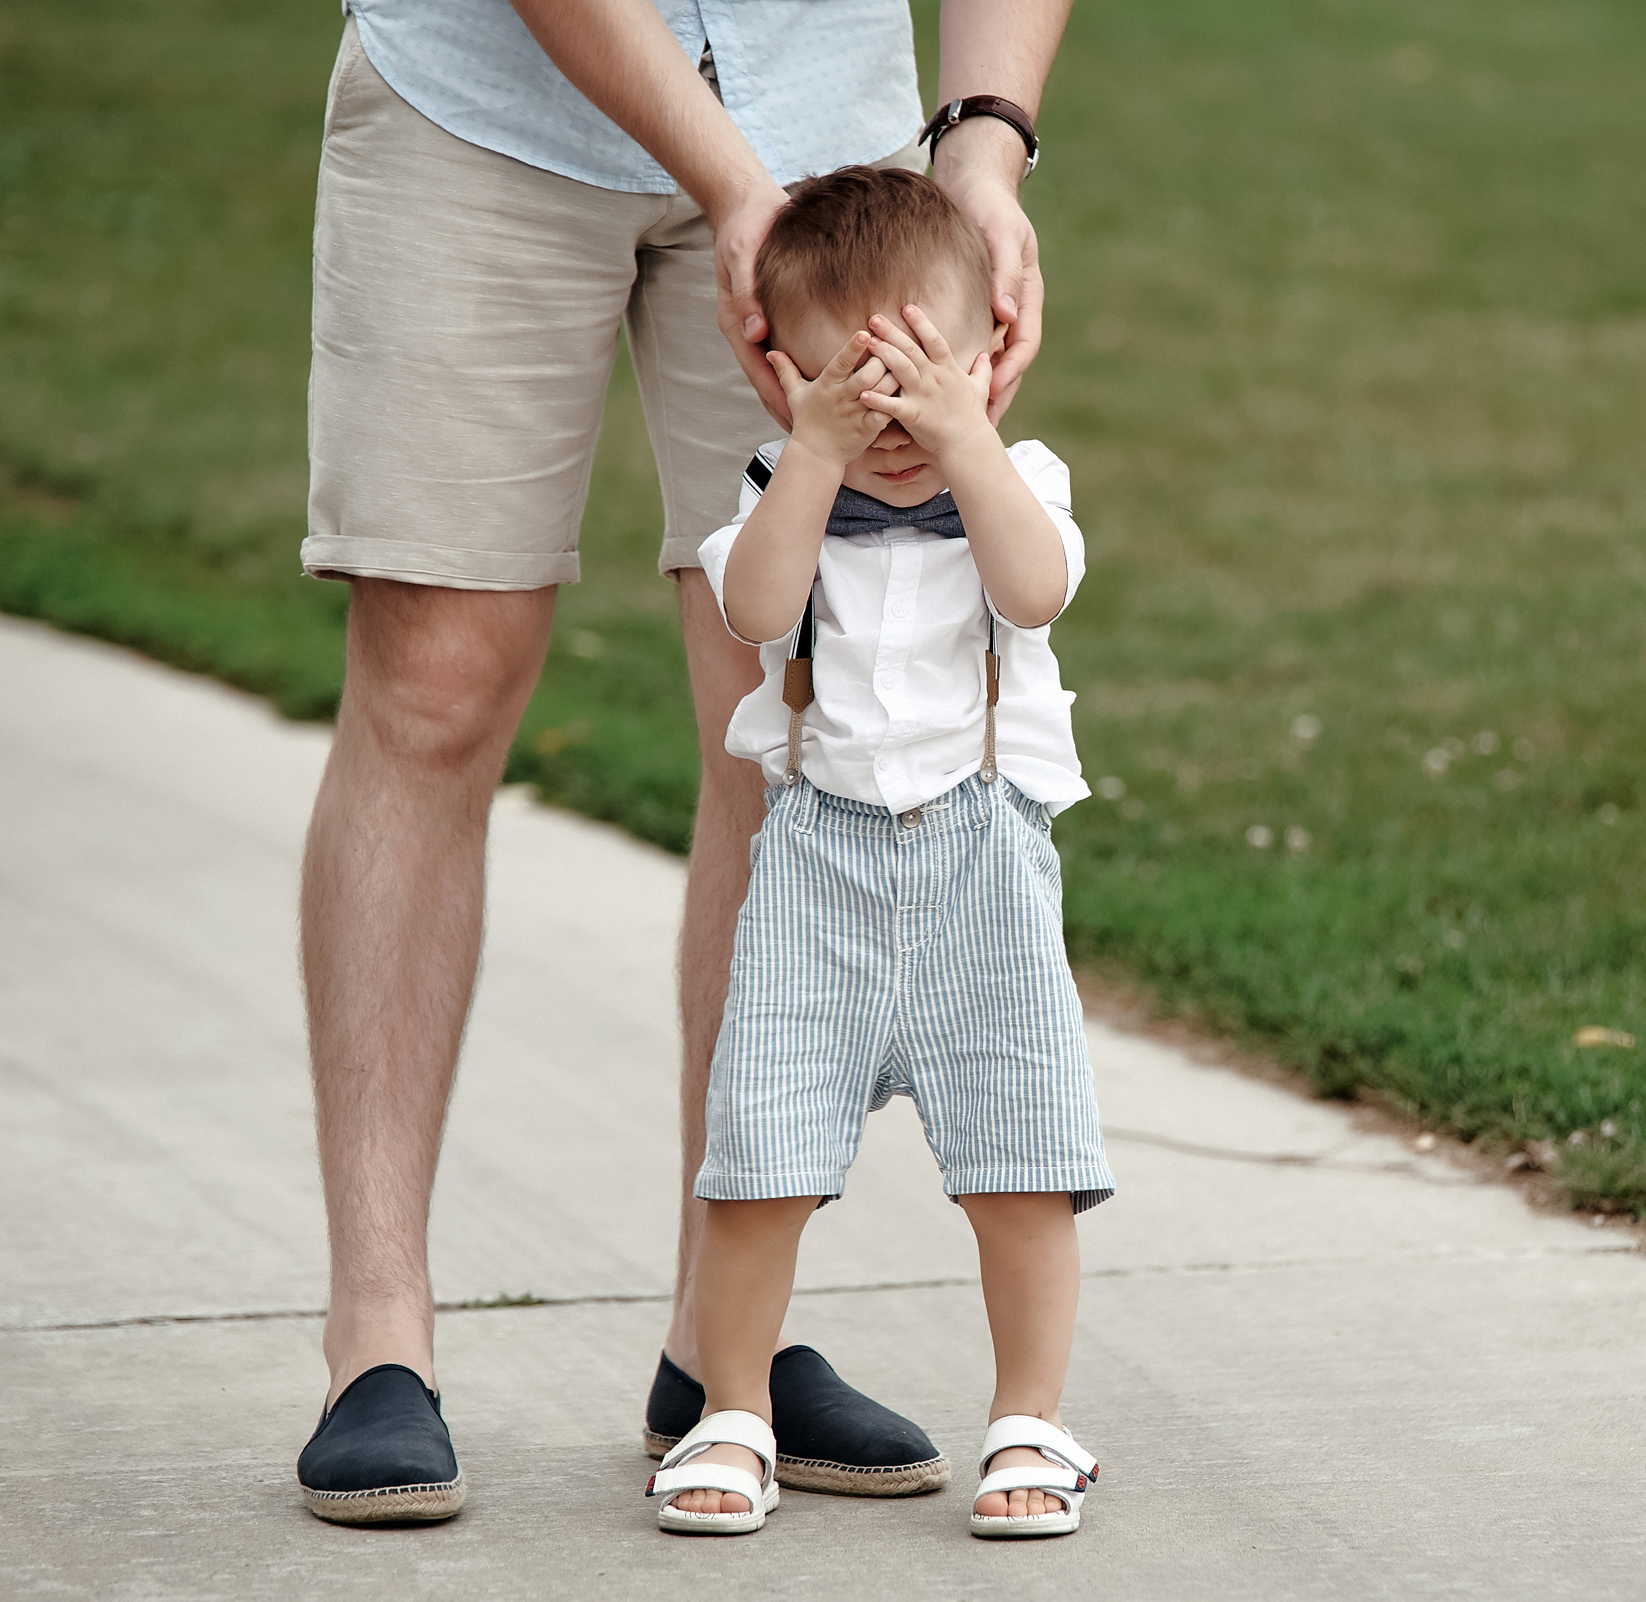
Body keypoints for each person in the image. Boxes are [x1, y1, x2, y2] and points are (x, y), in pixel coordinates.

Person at [290, 0, 1074, 1525]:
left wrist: (984, 148)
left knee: (796, 726)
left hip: (830, 129)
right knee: (437, 679)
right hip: (487, 100)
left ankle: (721, 1359)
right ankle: (375, 1342)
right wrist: (730, 185)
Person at [643, 166, 1112, 1540]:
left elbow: (1035, 587)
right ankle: (732, 1409)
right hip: (818, 871)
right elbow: (756, 604)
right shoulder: (776, 492)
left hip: (984, 863)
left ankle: (1029, 1414)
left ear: (993, 354)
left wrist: (965, 441)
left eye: (926, 372)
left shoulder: (1015, 483)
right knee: (760, 1159)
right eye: (857, 378)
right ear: (783, 373)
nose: (893, 414)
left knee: (1021, 1159)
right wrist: (814, 450)